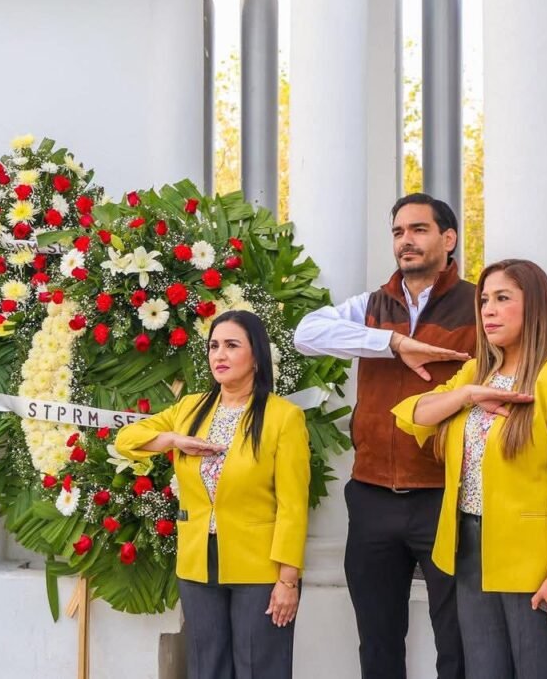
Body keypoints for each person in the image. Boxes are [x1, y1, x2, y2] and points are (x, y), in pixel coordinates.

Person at [392, 259, 547, 678]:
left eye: (502, 298)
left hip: (537, 563)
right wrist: (467, 394)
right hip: (470, 556)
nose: (487, 309)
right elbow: (411, 414)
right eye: (484, 299)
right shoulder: (475, 373)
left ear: (536, 306)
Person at [293, 193, 473, 678]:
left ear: (447, 238)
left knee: (456, 638)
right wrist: (390, 342)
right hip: (372, 495)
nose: (405, 241)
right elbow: (305, 334)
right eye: (398, 232)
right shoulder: (371, 305)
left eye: (418, 229)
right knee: (377, 641)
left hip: (443, 496)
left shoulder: (477, 305)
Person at [115, 310, 310, 679]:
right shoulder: (190, 408)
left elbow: (293, 506)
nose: (219, 355)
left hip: (260, 566)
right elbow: (126, 440)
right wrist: (174, 439)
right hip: (198, 562)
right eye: (214, 346)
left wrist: (288, 580)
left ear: (256, 356)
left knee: (260, 667)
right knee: (208, 667)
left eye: (232, 346)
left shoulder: (283, 417)